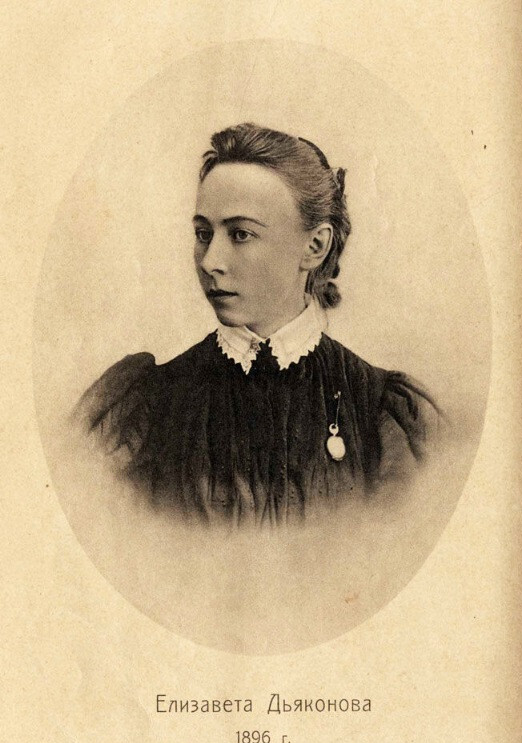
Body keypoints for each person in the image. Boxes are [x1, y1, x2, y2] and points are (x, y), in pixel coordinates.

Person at [74, 122, 440, 528]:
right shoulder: (149, 405)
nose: (210, 261)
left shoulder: (379, 409)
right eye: (203, 233)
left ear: (315, 246)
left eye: (241, 234)